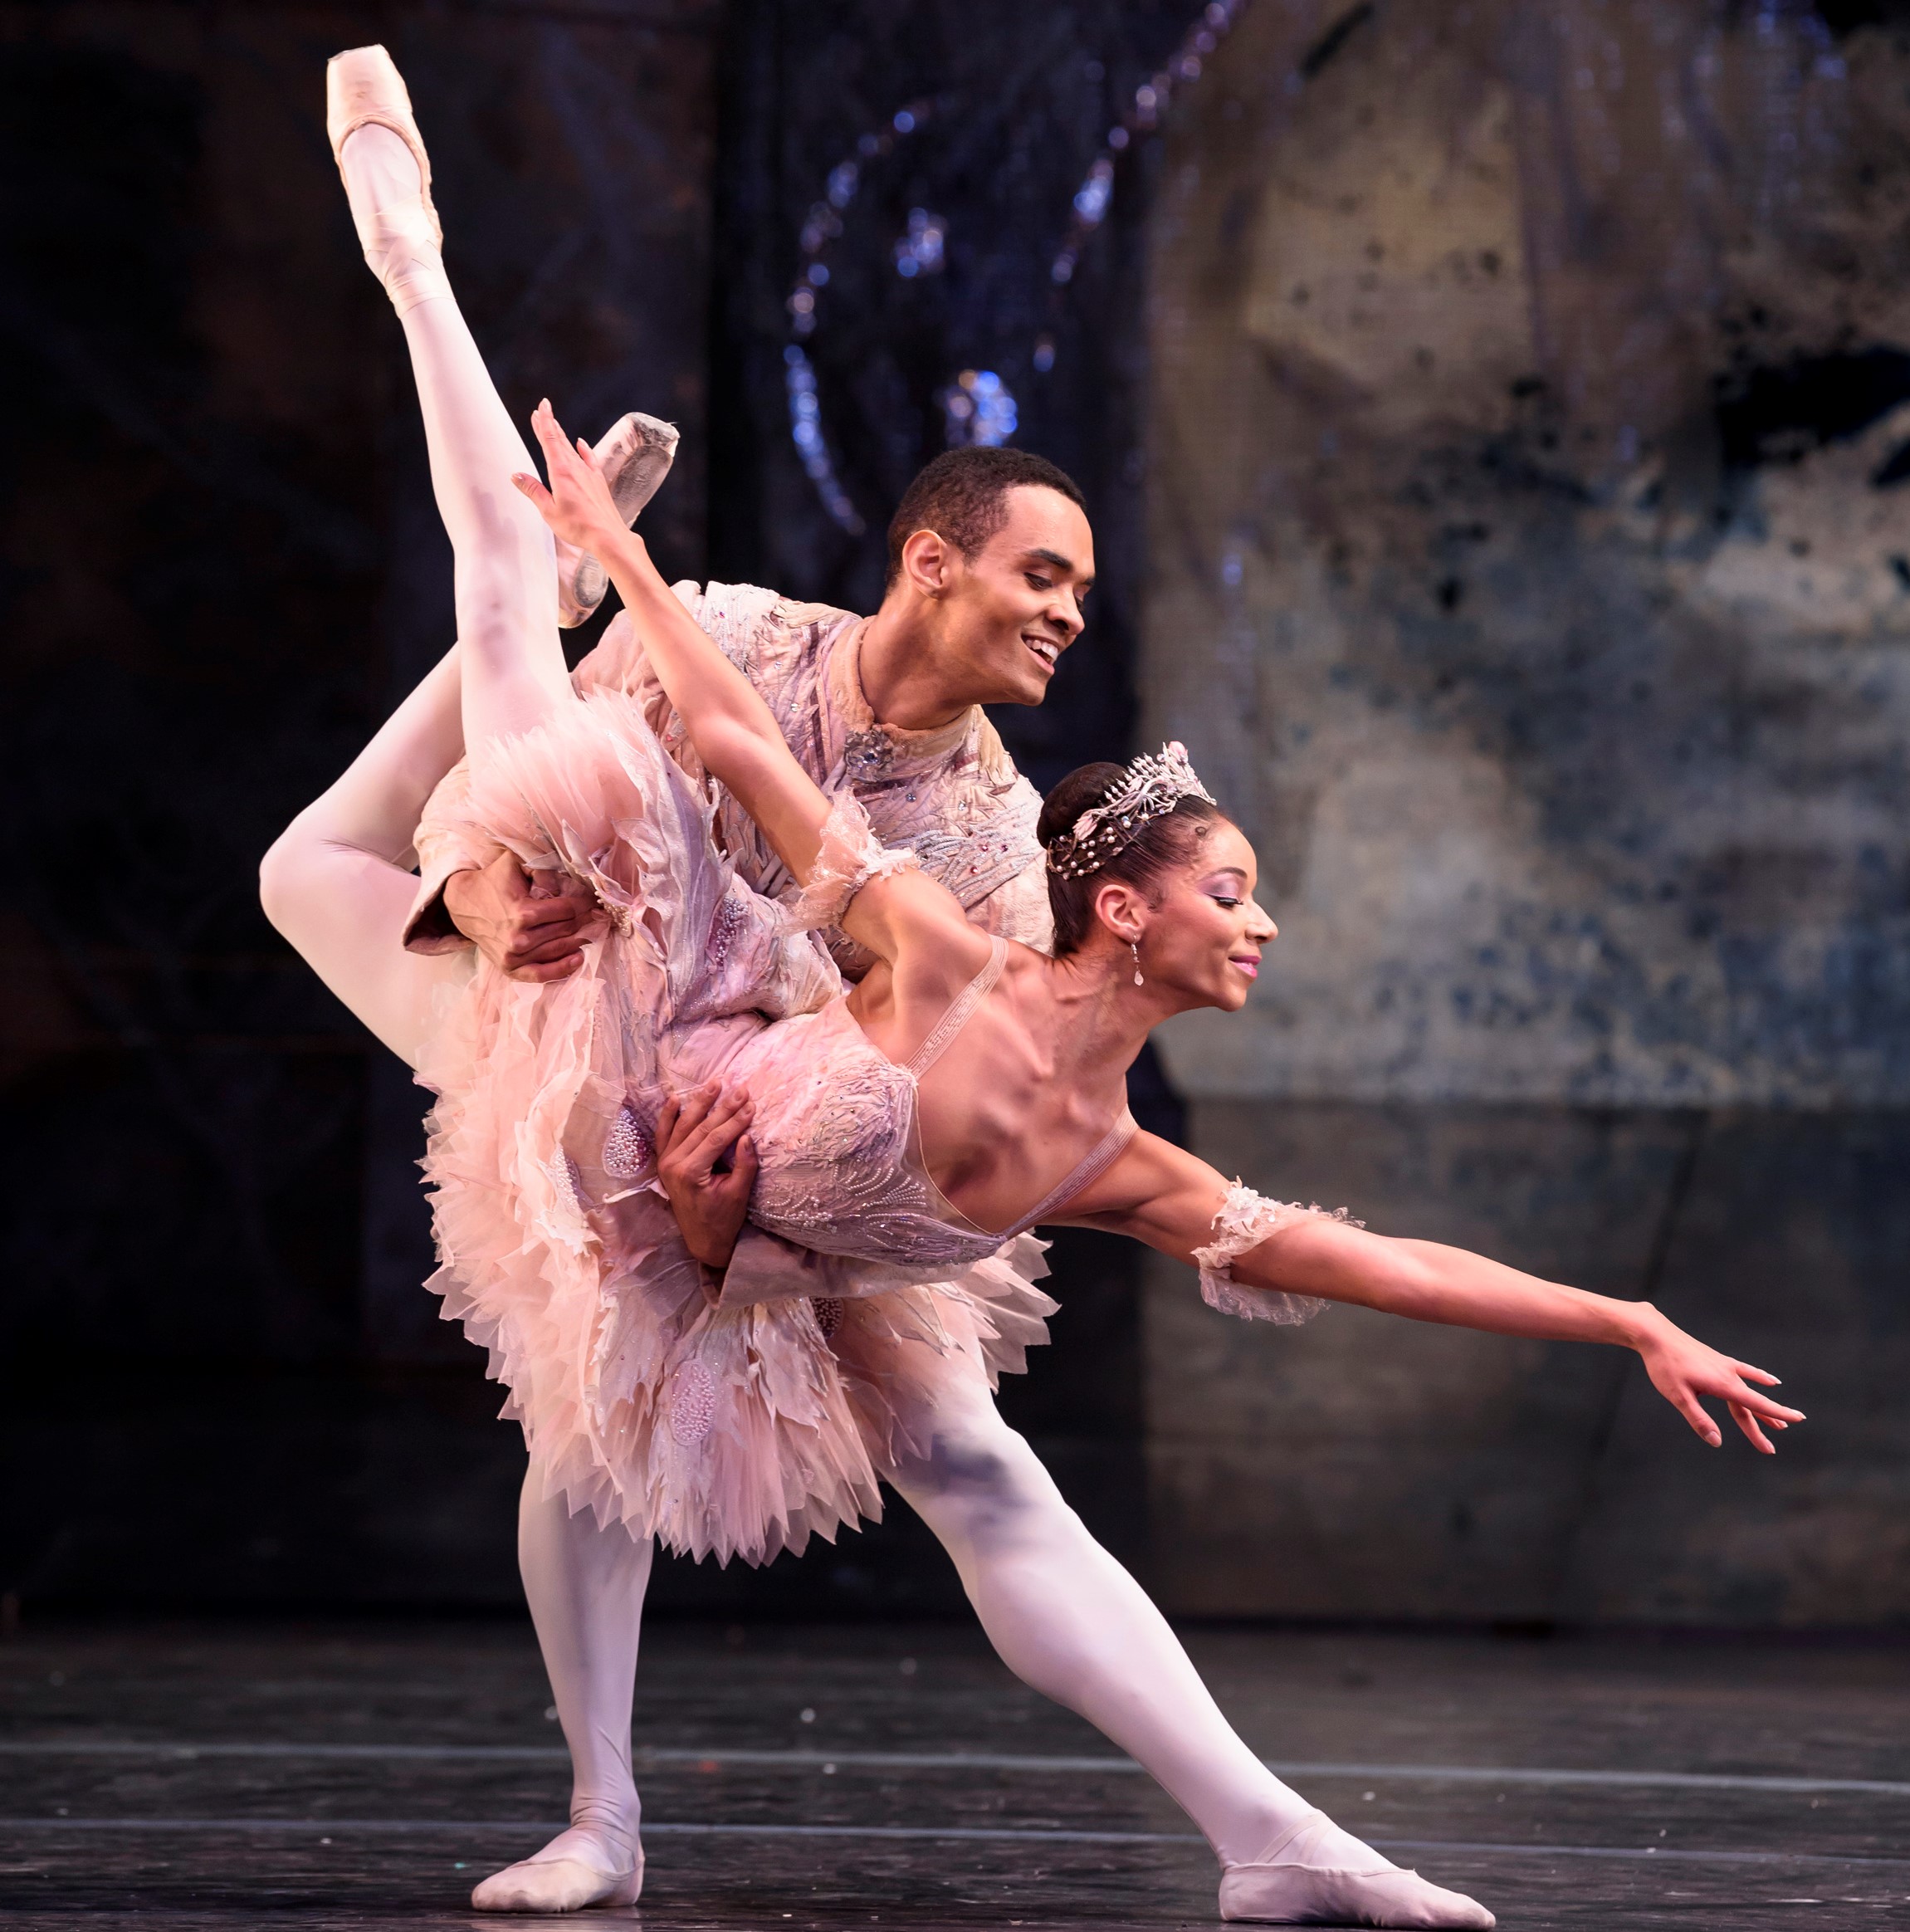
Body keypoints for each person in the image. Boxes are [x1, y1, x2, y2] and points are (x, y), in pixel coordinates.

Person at [260, 46, 1801, 1928]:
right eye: (1041, 575)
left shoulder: (996, 869)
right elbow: (688, 756)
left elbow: (1362, 1256)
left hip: (780, 1128)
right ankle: (413, 258)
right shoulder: (780, 679)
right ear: (934, 563)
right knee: (418, 759)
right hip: (625, 986)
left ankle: (1274, 1835)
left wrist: (1618, 1312)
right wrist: (496, 876)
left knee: (958, 1457)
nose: (1072, 610)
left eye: (1081, 584)